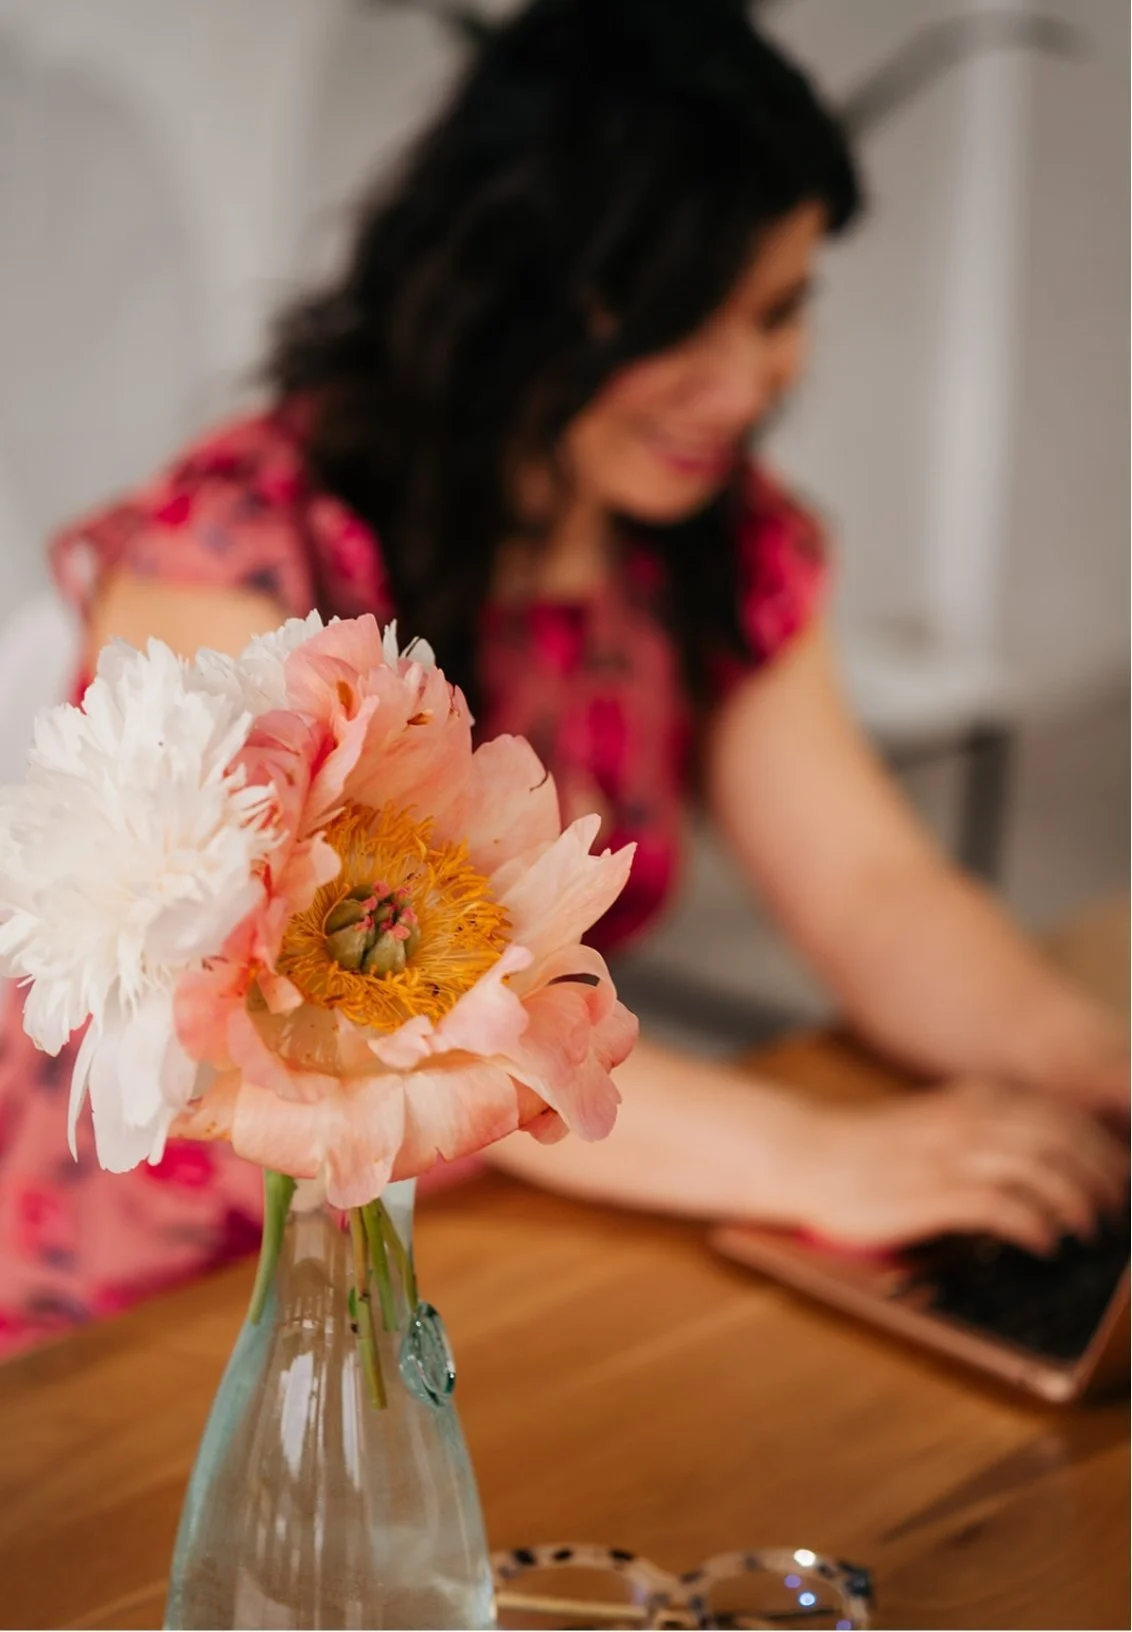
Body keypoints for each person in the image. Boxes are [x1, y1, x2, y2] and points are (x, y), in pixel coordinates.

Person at [0, 0, 1125, 1358]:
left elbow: (875, 893)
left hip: (491, 1221)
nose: (742, 382)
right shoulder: (238, 553)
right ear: (511, 290)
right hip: (188, 1271)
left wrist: (1094, 1062)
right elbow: (368, 1036)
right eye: (672, 324)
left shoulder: (714, 542)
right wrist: (813, 1159)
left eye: (776, 313)